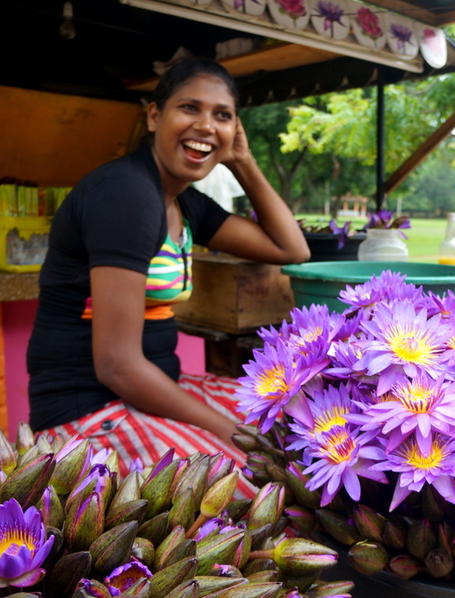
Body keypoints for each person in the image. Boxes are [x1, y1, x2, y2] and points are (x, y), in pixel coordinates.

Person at [26, 58, 310, 478]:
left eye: (223, 116)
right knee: (265, 479)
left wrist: (243, 162)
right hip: (89, 412)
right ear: (155, 116)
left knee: (295, 426)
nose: (207, 125)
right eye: (189, 108)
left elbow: (291, 248)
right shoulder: (126, 194)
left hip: (152, 391)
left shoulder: (182, 201)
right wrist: (233, 434)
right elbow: (117, 366)